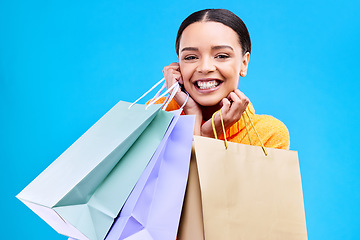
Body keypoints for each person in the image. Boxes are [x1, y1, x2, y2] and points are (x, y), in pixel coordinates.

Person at [160, 9, 289, 150]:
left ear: (244, 63)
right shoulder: (156, 117)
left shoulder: (268, 134)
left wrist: (209, 136)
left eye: (221, 56)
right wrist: (192, 116)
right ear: (179, 64)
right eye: (191, 57)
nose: (205, 67)